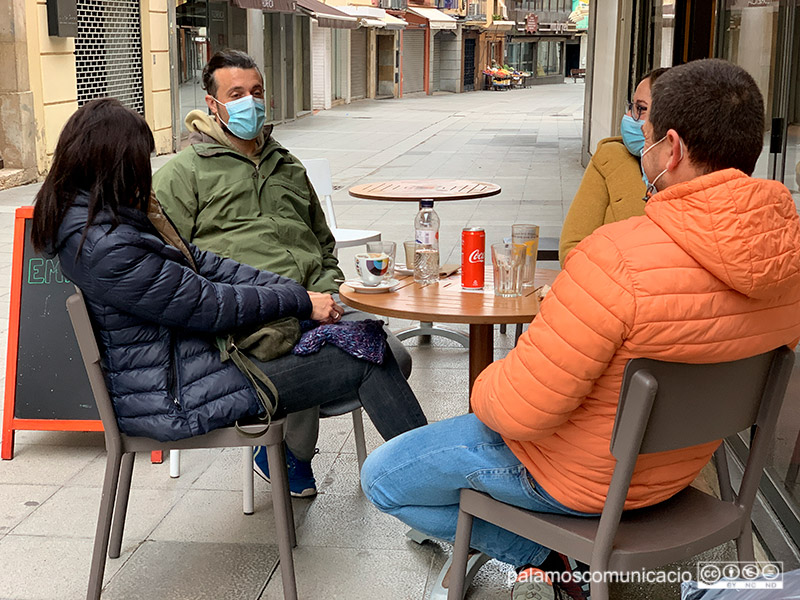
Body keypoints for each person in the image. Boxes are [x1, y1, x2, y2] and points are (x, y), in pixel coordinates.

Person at [361, 58, 800, 600]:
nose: (639, 140)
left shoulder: (617, 257)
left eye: (648, 130)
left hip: (575, 479)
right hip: (677, 474)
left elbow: (521, 409)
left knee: (382, 477)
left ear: (673, 149)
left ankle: (546, 556)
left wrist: (482, 388)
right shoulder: (787, 266)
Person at [31, 98, 426, 472]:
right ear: (112, 165)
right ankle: (429, 488)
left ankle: (412, 482)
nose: (146, 169)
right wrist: (299, 303)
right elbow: (208, 305)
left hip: (199, 364)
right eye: (140, 159)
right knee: (369, 355)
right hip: (179, 393)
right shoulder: (107, 245)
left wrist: (297, 294)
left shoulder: (105, 220)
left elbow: (207, 265)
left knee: (364, 341)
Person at [152, 49, 415, 497]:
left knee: (398, 354)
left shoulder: (287, 165)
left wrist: (328, 290)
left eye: (256, 92)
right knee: (373, 357)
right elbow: (172, 267)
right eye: (236, 94)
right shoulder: (183, 174)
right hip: (249, 326)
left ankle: (294, 452)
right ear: (212, 103)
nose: (249, 103)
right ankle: (417, 483)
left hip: (317, 306)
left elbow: (323, 242)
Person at [559, 67, 669, 267]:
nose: (629, 116)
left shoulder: (698, 176)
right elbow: (572, 249)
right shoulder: (610, 159)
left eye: (640, 109)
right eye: (632, 106)